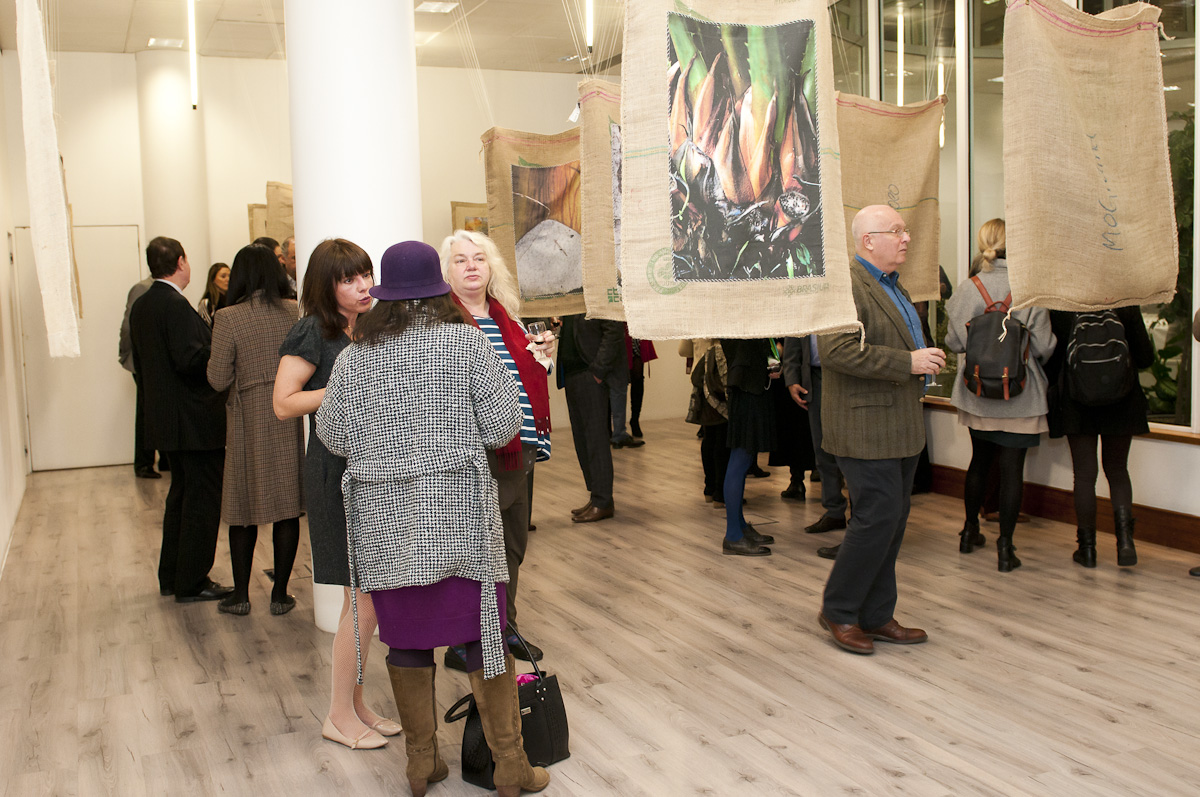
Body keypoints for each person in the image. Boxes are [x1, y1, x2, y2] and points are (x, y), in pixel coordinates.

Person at [316, 241, 549, 797]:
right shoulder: (467, 344)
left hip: (385, 529)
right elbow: (501, 428)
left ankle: (421, 766)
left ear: (386, 295)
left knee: (408, 645)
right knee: (484, 639)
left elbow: (332, 436)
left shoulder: (355, 357)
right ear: (439, 288)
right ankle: (511, 768)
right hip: (464, 522)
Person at [274, 239, 398, 749]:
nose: (363, 285)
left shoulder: (369, 326)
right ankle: (336, 715)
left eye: (365, 274)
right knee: (362, 600)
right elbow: (284, 403)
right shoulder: (312, 330)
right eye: (349, 279)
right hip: (335, 474)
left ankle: (356, 705)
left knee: (366, 600)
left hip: (374, 468)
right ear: (327, 287)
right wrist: (350, 384)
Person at [815, 205, 942, 655]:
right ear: (868, 240)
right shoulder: (845, 284)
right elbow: (836, 351)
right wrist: (908, 362)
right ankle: (839, 609)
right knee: (875, 519)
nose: (906, 238)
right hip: (863, 425)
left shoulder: (893, 286)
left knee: (893, 521)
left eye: (905, 230)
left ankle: (876, 615)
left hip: (898, 424)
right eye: (896, 231)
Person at [441, 229, 554, 665]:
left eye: (479, 259)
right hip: (470, 452)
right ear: (446, 273)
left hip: (519, 447)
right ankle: (463, 639)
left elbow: (529, 376)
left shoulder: (508, 318)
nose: (471, 266)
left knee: (512, 546)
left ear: (492, 268)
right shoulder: (442, 323)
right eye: (460, 259)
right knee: (470, 548)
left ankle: (504, 629)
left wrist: (544, 354)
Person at [944, 219, 1056, 571]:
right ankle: (1005, 548)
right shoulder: (1029, 290)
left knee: (979, 462)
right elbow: (1043, 346)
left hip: (977, 393)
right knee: (1012, 472)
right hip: (1021, 396)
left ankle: (968, 531)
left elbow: (953, 342)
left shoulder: (967, 288)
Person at [129, 236, 232, 603]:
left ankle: (172, 575)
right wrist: (218, 354)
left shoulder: (142, 304)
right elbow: (189, 360)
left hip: (166, 419)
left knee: (181, 497)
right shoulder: (173, 305)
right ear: (181, 261)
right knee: (201, 501)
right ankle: (193, 580)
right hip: (193, 420)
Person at [207, 244, 305, 615]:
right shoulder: (294, 311)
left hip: (247, 420)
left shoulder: (228, 317)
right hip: (288, 415)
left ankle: (241, 595)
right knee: (287, 507)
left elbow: (217, 379)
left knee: (242, 509)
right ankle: (280, 594)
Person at [1045, 303, 1154, 568]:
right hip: (1122, 397)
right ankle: (1125, 543)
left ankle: (1088, 550)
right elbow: (1145, 357)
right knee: (1117, 471)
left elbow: (1053, 357)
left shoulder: (1063, 304)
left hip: (1077, 398)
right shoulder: (1124, 301)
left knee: (1084, 475)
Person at [556, 313, 626, 522]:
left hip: (589, 373)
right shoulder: (572, 293)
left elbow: (613, 332)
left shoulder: (598, 289)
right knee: (582, 439)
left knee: (595, 439)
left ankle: (603, 501)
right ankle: (596, 496)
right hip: (574, 374)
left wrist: (598, 371)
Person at [718, 337, 778, 556]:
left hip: (752, 385)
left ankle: (740, 526)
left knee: (744, 458)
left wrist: (774, 362)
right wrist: (773, 361)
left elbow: (767, 339)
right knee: (740, 458)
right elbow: (761, 341)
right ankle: (733, 535)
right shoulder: (739, 309)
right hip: (747, 387)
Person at [119, 274, 163, 478]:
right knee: (147, 412)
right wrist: (126, 355)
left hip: (155, 363)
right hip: (144, 363)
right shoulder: (142, 288)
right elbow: (128, 325)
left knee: (158, 410)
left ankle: (165, 460)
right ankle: (144, 463)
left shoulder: (161, 289)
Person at [627, 333, 657, 439]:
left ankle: (635, 420)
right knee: (617, 386)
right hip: (620, 336)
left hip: (637, 336)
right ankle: (613, 425)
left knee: (638, 381)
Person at [197, 262, 230, 327]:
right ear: (213, 279)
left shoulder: (235, 300)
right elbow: (204, 329)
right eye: (223, 276)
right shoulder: (207, 302)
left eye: (230, 276)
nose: (228, 279)